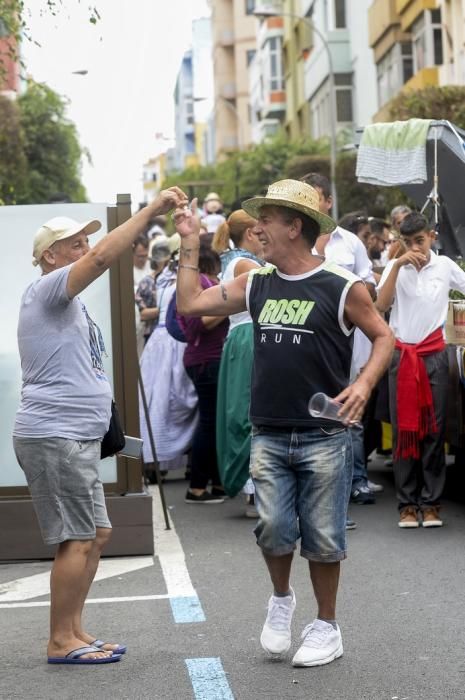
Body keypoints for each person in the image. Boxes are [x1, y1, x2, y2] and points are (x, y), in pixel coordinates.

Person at [174, 179, 393, 667]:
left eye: (267, 219)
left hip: (324, 435)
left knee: (324, 537)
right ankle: (281, 601)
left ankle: (327, 627)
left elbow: (383, 336)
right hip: (268, 431)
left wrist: (363, 384)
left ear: (295, 227)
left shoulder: (342, 285)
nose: (258, 227)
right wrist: (190, 240)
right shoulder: (256, 283)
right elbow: (190, 305)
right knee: (272, 528)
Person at [13, 187, 188, 665]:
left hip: (76, 435)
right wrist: (151, 211)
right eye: (75, 244)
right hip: (57, 436)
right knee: (79, 537)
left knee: (97, 535)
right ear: (49, 256)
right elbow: (105, 258)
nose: (85, 249)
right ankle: (59, 641)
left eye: (84, 242)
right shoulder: (48, 289)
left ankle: (74, 631)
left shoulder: (66, 302)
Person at [376, 211, 465, 528]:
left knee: (434, 430)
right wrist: (398, 264)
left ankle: (430, 504)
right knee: (404, 431)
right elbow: (380, 307)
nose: (416, 247)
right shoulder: (395, 267)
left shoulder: (445, 266)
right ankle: (407, 505)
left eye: (420, 240)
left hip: (435, 354)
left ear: (432, 237)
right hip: (403, 356)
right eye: (408, 241)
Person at [302, 172, 382, 507]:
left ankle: (357, 479)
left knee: (352, 412)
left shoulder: (350, 242)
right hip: (311, 342)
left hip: (352, 342)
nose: (310, 205)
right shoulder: (297, 240)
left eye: (314, 198)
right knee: (317, 412)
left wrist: (358, 293)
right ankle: (321, 485)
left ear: (328, 202)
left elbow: (370, 286)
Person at [212, 210, 264, 517]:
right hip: (249, 336)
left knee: (242, 410)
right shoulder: (246, 263)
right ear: (250, 233)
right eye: (261, 232)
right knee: (251, 411)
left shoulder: (232, 260)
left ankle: (252, 489)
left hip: (238, 337)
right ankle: (255, 490)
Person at [180, 242, 229, 503]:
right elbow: (199, 324)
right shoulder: (198, 282)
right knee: (210, 423)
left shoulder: (196, 282)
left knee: (213, 422)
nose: (217, 278)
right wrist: (229, 305)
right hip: (206, 360)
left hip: (203, 359)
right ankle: (197, 486)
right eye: (215, 272)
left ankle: (217, 482)